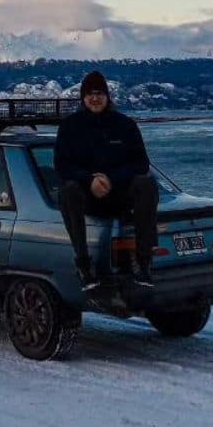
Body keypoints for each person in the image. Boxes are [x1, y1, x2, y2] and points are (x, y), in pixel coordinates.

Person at [53, 70, 159, 289]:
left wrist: (111, 178)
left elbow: (141, 164)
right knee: (68, 190)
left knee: (147, 184)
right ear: (83, 97)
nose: (95, 98)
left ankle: (143, 262)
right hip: (86, 197)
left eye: (99, 93)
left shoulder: (125, 125)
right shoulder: (70, 127)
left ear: (107, 96)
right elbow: (62, 165)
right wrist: (89, 179)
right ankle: (83, 265)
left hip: (120, 194)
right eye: (90, 94)